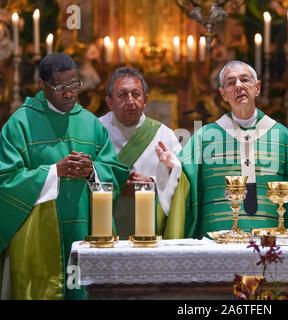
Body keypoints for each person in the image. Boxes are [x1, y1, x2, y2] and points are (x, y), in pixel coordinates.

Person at [0, 53, 129, 300]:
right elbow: (5, 181)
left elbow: (113, 171)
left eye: (74, 85)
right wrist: (54, 172)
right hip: (37, 236)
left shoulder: (90, 123)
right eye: (60, 88)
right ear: (42, 85)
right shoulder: (20, 123)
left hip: (84, 231)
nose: (70, 94)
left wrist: (92, 171)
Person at [166, 60, 288, 239]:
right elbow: (185, 177)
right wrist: (173, 167)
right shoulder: (204, 137)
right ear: (223, 94)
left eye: (245, 80)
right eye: (231, 83)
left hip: (272, 242)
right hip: (216, 242)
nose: (238, 86)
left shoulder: (282, 137)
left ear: (257, 88)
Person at [99, 67, 182, 239]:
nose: (130, 101)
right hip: (105, 225)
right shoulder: (96, 131)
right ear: (109, 102)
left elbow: (183, 178)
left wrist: (152, 183)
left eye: (136, 94)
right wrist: (117, 186)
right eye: (122, 95)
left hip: (150, 229)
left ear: (145, 99)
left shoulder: (163, 134)